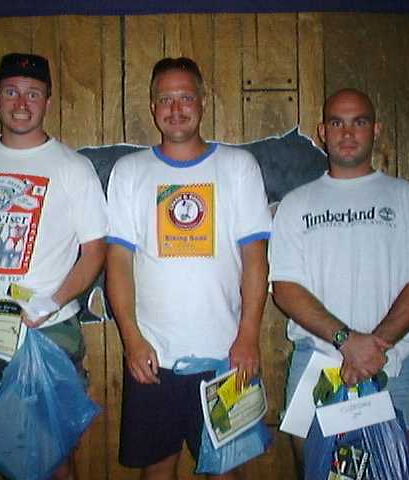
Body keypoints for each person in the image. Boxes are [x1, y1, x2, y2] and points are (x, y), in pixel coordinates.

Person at [0, 52, 107, 480]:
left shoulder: (73, 168)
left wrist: (51, 302)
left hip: (47, 331)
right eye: (11, 92)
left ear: (48, 101)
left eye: (33, 93)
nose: (21, 103)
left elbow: (95, 252)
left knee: (55, 455)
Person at [269, 88, 409, 477]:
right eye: (337, 122)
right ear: (323, 132)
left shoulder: (408, 199)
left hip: (392, 363)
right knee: (317, 473)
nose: (348, 132)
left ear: (376, 129)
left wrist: (374, 347)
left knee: (395, 471)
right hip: (316, 364)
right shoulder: (296, 205)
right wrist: (347, 342)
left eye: (359, 122)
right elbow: (286, 288)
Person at [105, 57, 271, 479]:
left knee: (226, 473)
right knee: (157, 471)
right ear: (152, 106)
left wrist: (248, 337)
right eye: (165, 99)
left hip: (227, 358)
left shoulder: (238, 167)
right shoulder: (129, 172)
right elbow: (118, 263)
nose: (176, 108)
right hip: (152, 358)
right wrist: (132, 340)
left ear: (202, 101)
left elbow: (255, 260)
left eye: (185, 97)